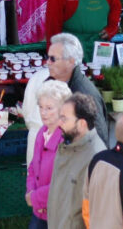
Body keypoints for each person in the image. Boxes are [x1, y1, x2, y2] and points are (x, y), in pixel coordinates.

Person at [48, 94, 107, 229]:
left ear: (82, 124)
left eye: (64, 119)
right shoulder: (66, 146)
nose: (59, 123)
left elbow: (98, 215)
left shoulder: (96, 159)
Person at [26, 80, 71, 229]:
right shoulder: (42, 132)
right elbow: (33, 167)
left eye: (49, 108)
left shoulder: (67, 141)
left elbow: (63, 184)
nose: (43, 112)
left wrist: (34, 197)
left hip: (59, 214)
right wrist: (30, 190)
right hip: (39, 211)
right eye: (41, 107)